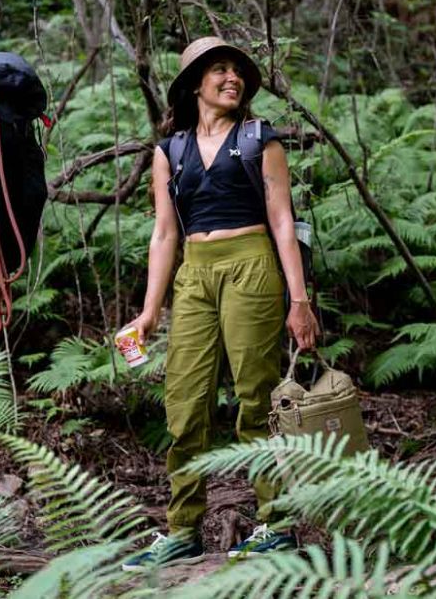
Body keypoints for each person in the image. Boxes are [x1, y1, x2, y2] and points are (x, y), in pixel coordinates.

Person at [120, 37, 320, 570]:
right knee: (185, 403)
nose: (232, 79)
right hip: (195, 274)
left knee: (256, 398)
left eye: (238, 72)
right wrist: (149, 311)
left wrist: (298, 300)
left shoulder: (258, 140)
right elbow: (164, 236)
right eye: (220, 71)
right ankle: (183, 528)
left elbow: (283, 222)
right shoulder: (170, 152)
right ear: (194, 84)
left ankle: (275, 523)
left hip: (252, 265)